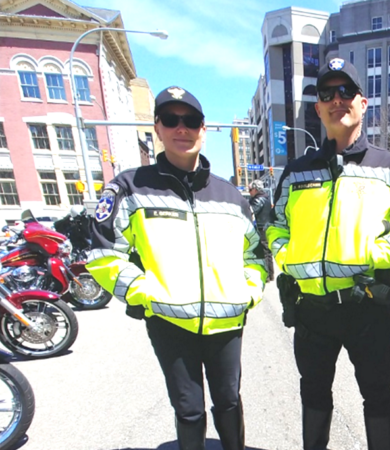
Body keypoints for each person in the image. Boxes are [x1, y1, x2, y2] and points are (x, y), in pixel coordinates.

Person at [86, 86, 267, 450]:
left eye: (191, 121)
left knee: (229, 402)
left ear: (203, 129)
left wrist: (247, 293)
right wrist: (145, 293)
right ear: (158, 127)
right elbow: (102, 254)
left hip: (227, 324)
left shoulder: (231, 195)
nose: (181, 128)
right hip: (169, 324)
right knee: (189, 409)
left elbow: (257, 256)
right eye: (171, 119)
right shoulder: (131, 187)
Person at [267, 58, 390, 450]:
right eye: (328, 93)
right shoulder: (296, 171)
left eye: (346, 92)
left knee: (377, 395)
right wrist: (287, 255)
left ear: (362, 103)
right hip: (311, 308)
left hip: (366, 306)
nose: (336, 100)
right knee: (314, 395)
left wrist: (379, 253)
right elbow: (275, 224)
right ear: (318, 107)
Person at [248, 179, 274, 282]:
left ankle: (266, 275)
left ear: (255, 189)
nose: (250, 192)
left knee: (264, 252)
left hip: (261, 228)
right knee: (268, 252)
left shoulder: (258, 200)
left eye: (250, 190)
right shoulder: (266, 198)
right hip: (267, 227)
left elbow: (251, 211)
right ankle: (270, 274)